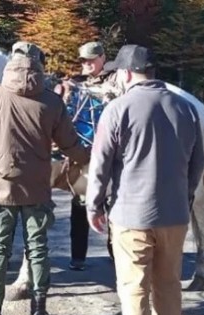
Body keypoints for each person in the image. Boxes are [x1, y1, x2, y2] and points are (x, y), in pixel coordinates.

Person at [0, 41, 90, 315]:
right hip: (37, 188)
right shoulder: (52, 101)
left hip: (1, 187)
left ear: (10, 62)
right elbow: (70, 145)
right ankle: (39, 312)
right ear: (39, 63)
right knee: (38, 249)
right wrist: (92, 161)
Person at [85, 45, 204, 315]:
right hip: (175, 217)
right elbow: (198, 163)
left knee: (134, 290)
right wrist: (185, 196)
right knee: (168, 286)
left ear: (125, 74)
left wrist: (93, 205)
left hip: (130, 216)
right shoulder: (186, 109)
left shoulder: (117, 109)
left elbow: (100, 165)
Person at [57, 41, 121, 271]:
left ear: (103, 58)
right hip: (83, 155)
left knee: (114, 206)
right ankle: (78, 257)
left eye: (91, 59)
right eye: (83, 60)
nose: (87, 64)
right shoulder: (74, 84)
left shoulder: (117, 81)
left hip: (113, 155)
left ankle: (117, 255)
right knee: (81, 203)